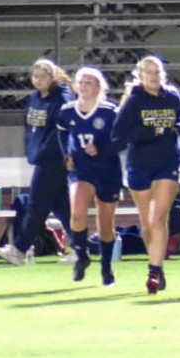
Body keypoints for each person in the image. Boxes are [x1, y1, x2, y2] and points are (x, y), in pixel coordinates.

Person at [112, 54, 180, 295]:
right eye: (149, 72)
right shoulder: (134, 101)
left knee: (159, 218)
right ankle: (157, 264)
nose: (154, 76)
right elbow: (119, 135)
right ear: (140, 75)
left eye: (157, 72)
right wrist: (152, 131)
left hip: (167, 163)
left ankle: (153, 272)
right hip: (140, 166)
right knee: (147, 224)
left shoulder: (172, 95)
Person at [0, 58, 72, 267]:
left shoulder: (61, 97)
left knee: (36, 204)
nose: (38, 80)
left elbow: (60, 129)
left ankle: (19, 249)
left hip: (55, 159)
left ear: (53, 77)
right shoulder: (34, 99)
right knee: (61, 205)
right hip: (39, 157)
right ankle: (81, 246)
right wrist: (31, 149)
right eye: (35, 76)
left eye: (43, 76)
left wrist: (44, 151)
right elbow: (28, 127)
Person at [55, 65, 122, 286]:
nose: (83, 86)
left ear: (98, 87)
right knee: (77, 210)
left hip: (107, 169)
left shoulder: (109, 111)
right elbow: (62, 132)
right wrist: (67, 155)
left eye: (89, 82)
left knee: (105, 223)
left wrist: (102, 147)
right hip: (82, 169)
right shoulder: (67, 111)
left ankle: (106, 267)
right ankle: (81, 255)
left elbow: (121, 139)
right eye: (80, 82)